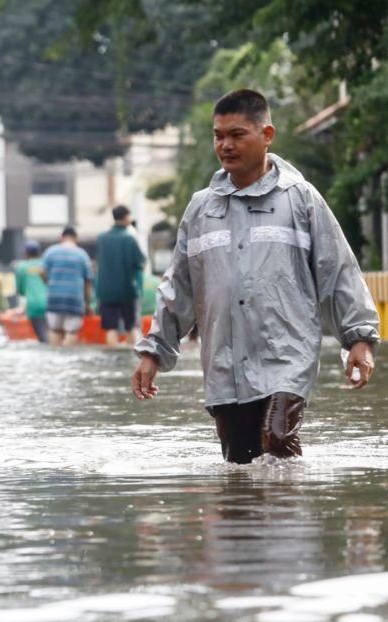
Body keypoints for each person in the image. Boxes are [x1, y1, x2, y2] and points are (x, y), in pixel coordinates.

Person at [132, 88, 380, 464]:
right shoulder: (201, 209)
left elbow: (337, 269)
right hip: (225, 363)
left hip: (286, 356)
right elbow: (178, 288)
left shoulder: (300, 199)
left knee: (277, 438)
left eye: (237, 135)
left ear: (266, 136)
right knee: (239, 465)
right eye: (218, 136)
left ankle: (289, 516)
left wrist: (359, 338)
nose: (226, 145)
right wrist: (154, 352)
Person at [96, 205, 146, 346]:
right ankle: (130, 358)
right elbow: (140, 262)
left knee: (111, 328)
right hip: (127, 290)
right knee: (131, 327)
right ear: (126, 217)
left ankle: (112, 359)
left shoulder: (102, 238)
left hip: (105, 291)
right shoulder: (130, 238)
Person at [41, 227, 93, 346]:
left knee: (54, 330)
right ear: (76, 238)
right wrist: (87, 303)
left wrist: (48, 283)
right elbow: (88, 281)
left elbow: (42, 272)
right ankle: (68, 357)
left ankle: (55, 358)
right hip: (74, 298)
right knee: (72, 332)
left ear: (61, 237)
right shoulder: (82, 255)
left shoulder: (50, 252)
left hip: (54, 297)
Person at [14, 240, 50, 343]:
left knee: (43, 338)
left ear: (26, 253)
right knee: (54, 335)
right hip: (52, 303)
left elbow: (20, 290)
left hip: (34, 305)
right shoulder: (45, 264)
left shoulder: (21, 267)